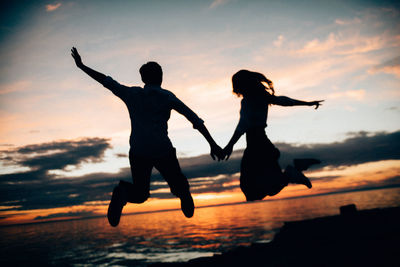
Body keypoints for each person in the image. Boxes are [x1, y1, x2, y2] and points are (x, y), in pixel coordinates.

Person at [71, 47, 223, 227]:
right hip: (161, 149)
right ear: (161, 77)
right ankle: (184, 194)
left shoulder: (132, 94)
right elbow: (194, 119)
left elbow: (106, 81)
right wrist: (213, 144)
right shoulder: (167, 97)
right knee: (178, 184)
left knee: (141, 194)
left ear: (143, 79)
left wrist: (82, 66)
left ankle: (123, 192)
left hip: (138, 150)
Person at [223, 70, 323, 201]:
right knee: (262, 188)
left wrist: (229, 146)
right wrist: (307, 103)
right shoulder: (262, 97)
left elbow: (242, 125)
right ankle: (295, 169)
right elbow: (285, 101)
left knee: (253, 190)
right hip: (261, 144)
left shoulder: (248, 101)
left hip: (257, 145)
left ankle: (293, 171)